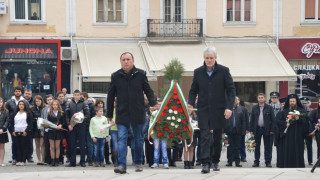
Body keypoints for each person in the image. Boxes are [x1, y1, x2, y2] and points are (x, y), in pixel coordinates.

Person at [107, 52, 158, 174]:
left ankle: (138, 162)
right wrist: (109, 113)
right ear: (120, 62)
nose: (126, 61)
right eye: (123, 59)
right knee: (122, 139)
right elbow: (110, 96)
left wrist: (153, 103)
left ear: (133, 61)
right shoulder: (115, 76)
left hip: (138, 112)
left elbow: (148, 90)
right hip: (122, 113)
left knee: (139, 140)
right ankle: (121, 165)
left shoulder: (140, 74)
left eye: (128, 59)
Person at [188, 47, 236, 173]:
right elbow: (193, 90)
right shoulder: (198, 72)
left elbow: (231, 91)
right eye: (207, 58)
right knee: (204, 136)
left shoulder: (224, 71)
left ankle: (215, 161)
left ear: (215, 58)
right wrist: (190, 104)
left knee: (216, 138)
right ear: (204, 58)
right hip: (203, 109)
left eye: (211, 58)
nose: (209, 60)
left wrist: (229, 108)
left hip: (220, 109)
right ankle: (205, 163)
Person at [276, 94, 309, 168]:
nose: (292, 102)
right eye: (291, 101)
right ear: (289, 102)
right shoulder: (284, 112)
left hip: (298, 135)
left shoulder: (302, 111)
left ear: (296, 101)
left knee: (298, 150)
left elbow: (306, 122)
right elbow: (278, 122)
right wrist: (285, 124)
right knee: (288, 150)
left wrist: (299, 119)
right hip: (287, 136)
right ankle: (287, 164)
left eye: (293, 101)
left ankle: (298, 165)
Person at [65, 90, 90, 167]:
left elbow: (87, 115)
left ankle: (82, 162)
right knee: (72, 144)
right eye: (75, 95)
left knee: (82, 145)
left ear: (80, 95)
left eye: (78, 95)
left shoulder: (84, 103)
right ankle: (72, 162)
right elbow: (66, 115)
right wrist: (69, 124)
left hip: (81, 127)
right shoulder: (69, 104)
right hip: (72, 127)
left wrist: (80, 120)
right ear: (73, 95)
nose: (76, 96)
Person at [250, 93, 275, 168]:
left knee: (268, 147)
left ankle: (268, 162)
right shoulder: (254, 107)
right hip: (257, 129)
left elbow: (273, 120)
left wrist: (272, 130)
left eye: (262, 97)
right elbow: (252, 119)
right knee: (256, 147)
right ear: (257, 99)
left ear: (265, 98)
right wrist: (251, 130)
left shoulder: (269, 107)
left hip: (267, 129)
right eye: (259, 97)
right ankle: (256, 161)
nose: (261, 99)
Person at [10, 100, 33, 166]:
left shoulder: (28, 113)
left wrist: (26, 131)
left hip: (24, 132)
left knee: (24, 146)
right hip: (16, 132)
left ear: (25, 105)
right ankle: (19, 160)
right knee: (18, 146)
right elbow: (11, 123)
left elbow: (30, 123)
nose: (21, 105)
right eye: (20, 104)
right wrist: (12, 131)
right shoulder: (15, 113)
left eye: (22, 104)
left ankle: (23, 160)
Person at [5, 86, 25, 165]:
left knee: (22, 141)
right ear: (14, 92)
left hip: (22, 124)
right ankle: (14, 158)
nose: (17, 92)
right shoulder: (9, 102)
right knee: (14, 141)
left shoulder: (24, 101)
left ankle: (22, 158)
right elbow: (6, 112)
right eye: (16, 91)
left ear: (21, 92)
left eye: (19, 91)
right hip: (12, 124)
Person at [225, 97, 246, 167]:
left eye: (235, 100)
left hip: (238, 131)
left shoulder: (241, 109)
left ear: (237, 101)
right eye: (233, 100)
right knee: (229, 146)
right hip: (228, 131)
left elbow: (243, 121)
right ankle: (229, 161)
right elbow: (224, 120)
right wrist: (223, 131)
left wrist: (243, 131)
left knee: (237, 147)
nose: (234, 102)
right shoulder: (227, 109)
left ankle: (237, 162)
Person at [95, 99, 113, 165]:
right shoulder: (95, 113)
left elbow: (107, 122)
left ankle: (107, 159)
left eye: (101, 103)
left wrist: (107, 134)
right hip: (97, 131)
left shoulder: (106, 111)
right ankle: (98, 160)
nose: (100, 104)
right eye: (99, 103)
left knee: (106, 146)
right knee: (98, 147)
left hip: (105, 131)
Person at [47, 100, 64, 166]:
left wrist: (61, 125)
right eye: (53, 105)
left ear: (58, 106)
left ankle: (57, 160)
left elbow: (63, 121)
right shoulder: (49, 113)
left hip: (58, 131)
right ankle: (52, 160)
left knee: (57, 147)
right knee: (52, 147)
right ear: (52, 106)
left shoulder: (61, 113)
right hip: (51, 131)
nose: (55, 106)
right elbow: (48, 122)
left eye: (56, 105)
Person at [81, 92, 96, 166]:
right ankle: (83, 159)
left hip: (89, 127)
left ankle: (90, 159)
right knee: (83, 144)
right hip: (82, 126)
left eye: (82, 96)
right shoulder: (81, 104)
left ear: (85, 97)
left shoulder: (92, 106)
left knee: (90, 144)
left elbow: (93, 117)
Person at [31, 95, 46, 165]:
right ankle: (39, 159)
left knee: (42, 144)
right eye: (36, 101)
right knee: (37, 144)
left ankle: (43, 159)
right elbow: (31, 118)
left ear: (41, 101)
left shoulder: (44, 108)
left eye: (39, 101)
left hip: (42, 127)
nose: (37, 102)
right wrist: (35, 119)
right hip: (35, 127)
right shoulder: (32, 109)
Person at [300, 97, 313, 165]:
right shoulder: (299, 111)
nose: (304, 104)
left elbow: (312, 121)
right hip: (300, 131)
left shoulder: (311, 110)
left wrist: (312, 131)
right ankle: (300, 160)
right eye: (302, 103)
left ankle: (310, 161)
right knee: (300, 146)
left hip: (308, 131)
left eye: (305, 103)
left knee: (309, 146)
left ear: (308, 103)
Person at [42, 95, 54, 165]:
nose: (49, 101)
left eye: (50, 99)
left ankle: (54, 159)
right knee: (47, 145)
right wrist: (42, 130)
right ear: (46, 101)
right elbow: (42, 119)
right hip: (46, 129)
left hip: (53, 129)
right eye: (48, 100)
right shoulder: (44, 109)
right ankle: (47, 159)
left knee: (54, 146)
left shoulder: (55, 108)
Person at [56, 91, 68, 164]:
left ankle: (68, 158)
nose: (61, 97)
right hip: (58, 126)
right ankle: (60, 158)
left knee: (67, 143)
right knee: (59, 144)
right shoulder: (56, 104)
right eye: (60, 96)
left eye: (62, 96)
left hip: (66, 126)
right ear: (57, 97)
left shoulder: (67, 104)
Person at [23, 89, 34, 163]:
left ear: (31, 95)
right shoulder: (21, 102)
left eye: (29, 94)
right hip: (21, 124)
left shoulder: (34, 102)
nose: (27, 95)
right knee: (20, 142)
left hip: (30, 124)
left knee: (30, 142)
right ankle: (20, 157)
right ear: (24, 94)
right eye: (26, 93)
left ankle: (29, 156)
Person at [0, 97, 9, 166]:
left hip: (2, 131)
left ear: (3, 103)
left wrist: (3, 129)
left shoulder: (6, 111)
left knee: (2, 147)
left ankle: (2, 161)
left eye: (1, 102)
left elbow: (7, 121)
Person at [310, 98, 320, 162]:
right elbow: (311, 121)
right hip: (318, 132)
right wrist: (314, 126)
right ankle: (319, 161)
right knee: (319, 146)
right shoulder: (315, 111)